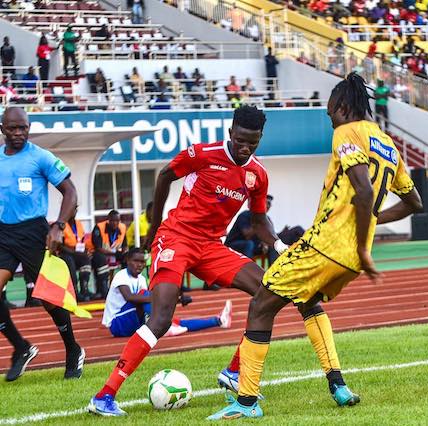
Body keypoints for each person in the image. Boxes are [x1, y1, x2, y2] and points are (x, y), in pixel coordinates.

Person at [208, 73, 423, 420]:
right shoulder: (387, 144)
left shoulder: (346, 132)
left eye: (329, 114)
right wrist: (366, 235)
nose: (330, 121)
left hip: (326, 246)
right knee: (306, 300)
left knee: (261, 304)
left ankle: (245, 401)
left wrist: (364, 242)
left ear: (341, 107)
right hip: (350, 257)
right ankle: (337, 385)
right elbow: (414, 202)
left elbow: (364, 191)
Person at [88, 105, 292, 416]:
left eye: (252, 142)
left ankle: (235, 372)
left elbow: (260, 219)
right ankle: (104, 396)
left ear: (260, 138)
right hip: (177, 238)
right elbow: (163, 176)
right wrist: (155, 229)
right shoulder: (202, 154)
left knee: (270, 292)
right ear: (230, 133)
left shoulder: (258, 175)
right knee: (160, 319)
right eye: (239, 140)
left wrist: (278, 244)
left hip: (211, 247)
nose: (244, 147)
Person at [0, 107, 85, 381]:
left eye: (23, 128)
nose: (18, 133)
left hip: (34, 233)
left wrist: (59, 226)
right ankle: (21, 347)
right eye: (13, 128)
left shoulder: (40, 157)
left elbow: (70, 191)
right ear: (2, 129)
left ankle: (73, 350)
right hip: (3, 233)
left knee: (49, 299)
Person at [102, 248, 232, 338]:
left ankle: (218, 321)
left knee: (178, 322)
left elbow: (151, 299)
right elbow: (130, 297)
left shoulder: (141, 279)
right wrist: (161, 299)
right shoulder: (121, 275)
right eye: (136, 261)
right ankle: (165, 325)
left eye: (142, 262)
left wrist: (178, 299)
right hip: (117, 323)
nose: (140, 265)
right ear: (127, 261)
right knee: (147, 295)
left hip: (133, 318)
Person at [225, 195, 279, 265]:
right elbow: (247, 235)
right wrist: (259, 224)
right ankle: (247, 270)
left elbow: (269, 236)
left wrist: (265, 243)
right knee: (249, 244)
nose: (268, 206)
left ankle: (274, 272)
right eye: (266, 203)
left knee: (272, 246)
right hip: (233, 245)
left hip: (253, 246)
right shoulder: (245, 214)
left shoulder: (267, 219)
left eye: (269, 204)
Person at [86, 210, 127, 299]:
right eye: (113, 221)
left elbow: (125, 246)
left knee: (127, 258)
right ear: (108, 220)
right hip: (96, 254)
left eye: (117, 221)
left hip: (114, 254)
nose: (115, 223)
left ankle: (126, 286)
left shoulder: (122, 228)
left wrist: (124, 253)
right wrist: (114, 253)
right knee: (100, 258)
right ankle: (103, 290)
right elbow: (98, 248)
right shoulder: (99, 227)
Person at [60, 209, 92, 301]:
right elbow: (60, 246)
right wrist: (74, 252)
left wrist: (84, 251)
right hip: (65, 253)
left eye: (74, 210)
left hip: (78, 252)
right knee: (70, 261)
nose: (72, 212)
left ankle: (84, 288)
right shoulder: (62, 225)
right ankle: (74, 291)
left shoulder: (78, 224)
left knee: (86, 259)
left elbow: (81, 239)